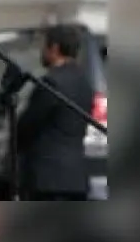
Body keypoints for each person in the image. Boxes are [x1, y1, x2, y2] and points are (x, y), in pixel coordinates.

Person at [16, 25, 94, 201]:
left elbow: (29, 124)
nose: (42, 52)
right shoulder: (85, 84)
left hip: (48, 179)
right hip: (76, 178)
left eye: (44, 47)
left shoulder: (51, 82)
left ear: (54, 48)